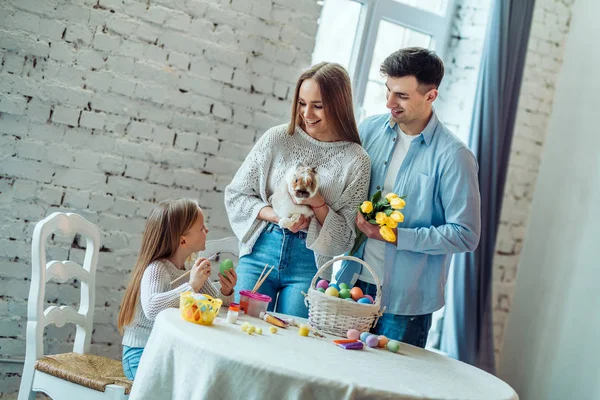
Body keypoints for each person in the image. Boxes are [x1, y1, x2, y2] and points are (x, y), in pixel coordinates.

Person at [336, 47, 481, 348]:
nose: (389, 102)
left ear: (430, 96)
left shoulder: (454, 156)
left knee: (388, 394)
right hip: (350, 284)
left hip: (405, 305)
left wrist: (396, 237)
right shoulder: (369, 129)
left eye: (401, 95)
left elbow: (465, 235)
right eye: (388, 91)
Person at [225, 62, 371, 318]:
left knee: (292, 344)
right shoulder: (278, 138)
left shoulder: (356, 160)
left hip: (310, 262)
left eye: (318, 105)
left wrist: (317, 203)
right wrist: (278, 218)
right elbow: (237, 194)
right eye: (302, 103)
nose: (307, 113)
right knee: (241, 331)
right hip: (262, 248)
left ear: (338, 104)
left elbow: (346, 238)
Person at [117, 198, 236, 380]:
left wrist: (226, 292)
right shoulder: (157, 268)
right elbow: (152, 309)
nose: (207, 231)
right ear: (182, 241)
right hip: (141, 352)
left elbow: (217, 307)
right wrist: (192, 286)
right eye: (201, 228)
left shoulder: (190, 268)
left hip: (166, 350)